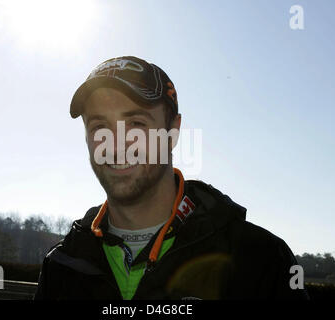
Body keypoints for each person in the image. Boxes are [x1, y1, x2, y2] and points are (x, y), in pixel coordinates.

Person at [34, 56, 309, 300]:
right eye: (99, 126)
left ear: (173, 133)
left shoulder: (260, 259)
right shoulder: (62, 262)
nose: (116, 145)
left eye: (136, 124)